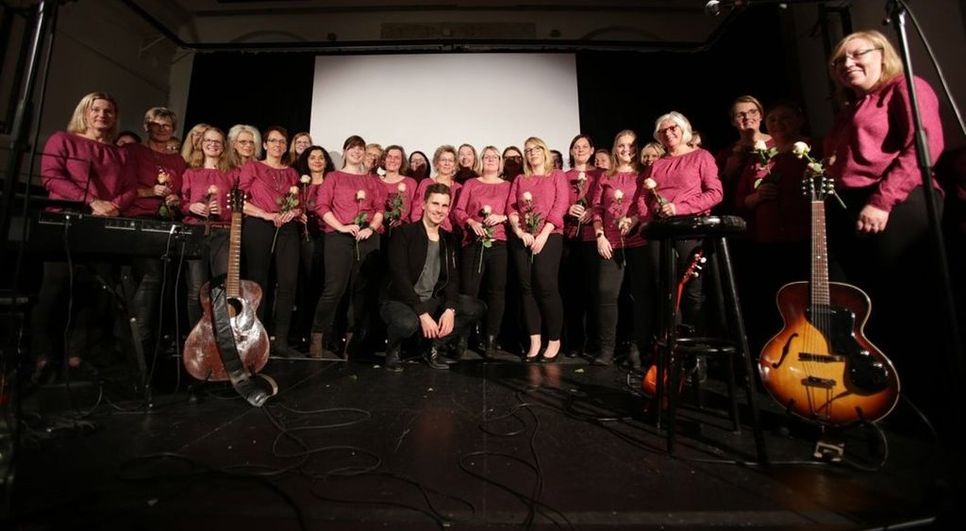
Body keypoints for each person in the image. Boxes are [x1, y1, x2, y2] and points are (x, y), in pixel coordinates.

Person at [823, 30, 945, 413]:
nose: (847, 65)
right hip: (854, 206)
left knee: (906, 304)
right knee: (868, 308)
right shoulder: (851, 107)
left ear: (883, 54)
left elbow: (923, 143)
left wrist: (883, 201)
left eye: (856, 55)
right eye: (840, 61)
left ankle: (924, 403)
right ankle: (883, 397)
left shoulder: (904, 87)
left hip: (895, 203)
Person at [30, 92, 136, 381]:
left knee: (94, 291)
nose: (102, 115)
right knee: (55, 288)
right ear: (85, 113)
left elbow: (131, 187)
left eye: (108, 111)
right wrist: (91, 200)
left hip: (103, 225)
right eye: (96, 110)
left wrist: (115, 205)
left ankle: (77, 355)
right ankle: (42, 355)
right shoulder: (63, 140)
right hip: (66, 223)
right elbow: (51, 176)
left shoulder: (121, 152)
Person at [733, 103, 813, 352]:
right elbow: (739, 199)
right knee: (771, 301)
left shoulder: (812, 147)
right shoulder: (760, 154)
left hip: (804, 236)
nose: (777, 124)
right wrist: (755, 198)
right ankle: (776, 355)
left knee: (805, 299)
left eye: (784, 118)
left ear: (799, 120)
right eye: (773, 120)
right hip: (766, 239)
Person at [381, 183, 486, 371]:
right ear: (423, 205)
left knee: (475, 307)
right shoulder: (404, 233)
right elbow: (400, 279)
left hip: (431, 299)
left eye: (444, 206)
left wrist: (450, 310)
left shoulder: (449, 239)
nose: (439, 210)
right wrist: (422, 314)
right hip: (401, 300)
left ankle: (431, 347)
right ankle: (394, 349)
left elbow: (452, 279)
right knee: (407, 324)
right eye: (435, 204)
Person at [645, 111, 723, 330]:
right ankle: (673, 346)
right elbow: (646, 197)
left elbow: (715, 193)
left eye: (673, 129)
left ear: (684, 130)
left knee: (691, 290)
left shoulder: (701, 156)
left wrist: (679, 208)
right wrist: (656, 208)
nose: (668, 134)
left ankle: (696, 353)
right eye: (663, 131)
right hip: (662, 230)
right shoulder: (658, 164)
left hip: (691, 227)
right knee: (664, 289)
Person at [310, 135, 386, 359]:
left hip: (366, 237)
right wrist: (342, 228)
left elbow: (380, 208)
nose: (357, 152)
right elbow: (322, 207)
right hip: (339, 236)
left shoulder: (372, 180)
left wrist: (371, 228)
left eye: (361, 148)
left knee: (360, 292)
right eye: (352, 148)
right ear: (344, 151)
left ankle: (350, 342)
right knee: (334, 289)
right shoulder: (333, 177)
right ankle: (318, 337)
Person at [121, 107, 187, 359]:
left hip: (167, 223)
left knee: (164, 283)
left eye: (167, 126)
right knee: (149, 278)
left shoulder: (178, 161)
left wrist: (175, 199)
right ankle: (140, 341)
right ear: (146, 126)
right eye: (157, 125)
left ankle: (152, 340)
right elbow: (120, 186)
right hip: (138, 218)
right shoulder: (132, 151)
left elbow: (182, 194)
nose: (162, 130)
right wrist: (149, 192)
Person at [237, 126, 303, 358]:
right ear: (264, 144)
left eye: (281, 141)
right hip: (259, 225)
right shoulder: (252, 167)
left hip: (286, 228)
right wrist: (266, 214)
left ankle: (281, 339)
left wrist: (292, 212)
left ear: (286, 146)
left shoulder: (293, 173)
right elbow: (240, 201)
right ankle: (256, 337)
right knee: (258, 281)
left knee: (287, 282)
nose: (277, 145)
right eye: (272, 141)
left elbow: (299, 204)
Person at [590, 130, 653, 369]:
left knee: (640, 296)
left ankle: (637, 349)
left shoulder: (644, 174)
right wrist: (599, 236)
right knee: (606, 294)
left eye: (631, 146)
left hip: (637, 242)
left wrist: (634, 221)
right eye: (621, 146)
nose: (626, 150)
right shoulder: (605, 176)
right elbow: (597, 209)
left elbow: (646, 205)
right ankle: (606, 349)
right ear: (615, 148)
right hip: (610, 243)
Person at [506, 136, 569, 362]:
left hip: (549, 235)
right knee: (526, 287)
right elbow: (511, 208)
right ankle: (535, 340)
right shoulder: (521, 179)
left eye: (536, 149)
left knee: (546, 286)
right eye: (528, 150)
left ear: (544, 152)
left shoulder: (557, 176)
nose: (532, 153)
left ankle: (554, 340)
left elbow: (561, 204)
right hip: (523, 237)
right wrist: (519, 231)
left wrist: (543, 234)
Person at [453, 146, 511, 358]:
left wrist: (502, 218)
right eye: (486, 157)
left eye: (494, 157)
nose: (490, 160)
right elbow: (458, 210)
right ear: (481, 160)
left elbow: (514, 212)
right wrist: (470, 221)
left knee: (496, 293)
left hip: (499, 244)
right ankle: (463, 337)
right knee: (469, 292)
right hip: (473, 243)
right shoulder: (471, 183)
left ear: (499, 161)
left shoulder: (508, 185)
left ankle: (491, 339)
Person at [180, 126, 233, 328]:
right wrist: (190, 207)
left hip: (223, 232)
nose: (212, 144)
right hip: (196, 231)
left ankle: (220, 334)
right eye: (208, 141)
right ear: (201, 144)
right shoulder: (190, 173)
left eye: (217, 142)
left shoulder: (231, 174)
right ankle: (196, 334)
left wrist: (222, 210)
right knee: (196, 288)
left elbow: (237, 208)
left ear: (223, 147)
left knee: (221, 286)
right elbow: (181, 203)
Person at [561, 134, 600, 358]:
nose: (581, 149)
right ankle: (574, 342)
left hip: (594, 239)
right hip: (570, 239)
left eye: (585, 146)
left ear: (592, 150)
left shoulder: (601, 175)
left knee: (594, 293)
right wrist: (569, 209)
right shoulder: (564, 176)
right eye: (576, 146)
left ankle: (593, 342)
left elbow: (605, 202)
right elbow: (555, 200)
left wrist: (592, 212)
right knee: (572, 293)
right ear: (571, 151)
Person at [292, 145, 331, 346]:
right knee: (307, 285)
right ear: (306, 161)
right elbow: (290, 207)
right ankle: (303, 333)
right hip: (307, 239)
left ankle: (322, 333)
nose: (317, 161)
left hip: (328, 237)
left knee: (326, 286)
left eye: (321, 158)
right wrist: (297, 214)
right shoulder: (298, 186)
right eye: (312, 157)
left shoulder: (333, 182)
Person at [715, 95, 772, 213]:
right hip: (744, 216)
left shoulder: (777, 143)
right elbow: (718, 194)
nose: (747, 117)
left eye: (753, 112)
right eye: (740, 115)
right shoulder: (726, 154)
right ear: (733, 121)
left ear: (761, 115)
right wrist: (728, 172)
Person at [410, 145, 462, 233]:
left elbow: (459, 215)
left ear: (454, 165)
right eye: (443, 160)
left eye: (450, 160)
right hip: (426, 231)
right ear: (437, 163)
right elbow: (416, 211)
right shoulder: (426, 183)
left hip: (449, 234)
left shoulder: (459, 188)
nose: (447, 163)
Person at [380, 145, 418, 234]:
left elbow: (415, 208)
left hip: (403, 231)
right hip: (379, 231)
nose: (392, 160)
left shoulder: (410, 182)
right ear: (384, 160)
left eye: (397, 158)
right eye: (389, 157)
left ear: (402, 162)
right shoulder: (376, 181)